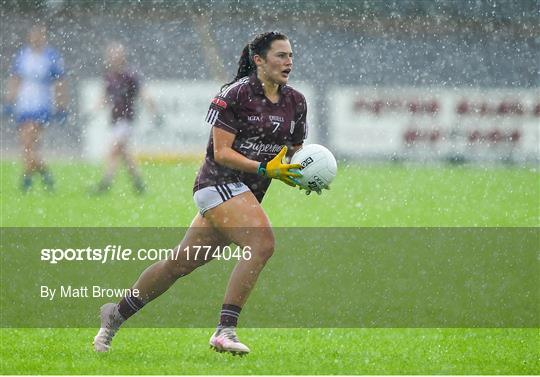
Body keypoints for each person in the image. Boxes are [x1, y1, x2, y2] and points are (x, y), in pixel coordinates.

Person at [93, 31, 307, 355]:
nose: (288, 61)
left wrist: (304, 173)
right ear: (259, 60)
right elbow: (221, 152)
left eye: (290, 55)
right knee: (262, 243)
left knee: (178, 265)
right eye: (281, 55)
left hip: (244, 195)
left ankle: (114, 316)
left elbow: (293, 153)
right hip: (215, 184)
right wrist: (264, 169)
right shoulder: (235, 95)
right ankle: (225, 330)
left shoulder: (296, 102)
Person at [4, 24, 68, 192]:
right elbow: (15, 78)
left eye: (39, 35)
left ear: (44, 37)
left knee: (29, 141)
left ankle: (27, 179)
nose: (36, 39)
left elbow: (60, 82)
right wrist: (9, 101)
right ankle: (42, 174)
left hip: (42, 102)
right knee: (28, 144)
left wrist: (61, 106)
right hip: (24, 102)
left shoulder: (51, 56)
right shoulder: (23, 55)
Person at [90, 41, 156, 194]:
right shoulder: (109, 76)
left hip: (127, 120)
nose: (113, 58)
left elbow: (143, 93)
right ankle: (139, 184)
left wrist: (153, 109)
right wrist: (93, 111)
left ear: (122, 56)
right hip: (115, 120)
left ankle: (105, 183)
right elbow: (105, 98)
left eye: (116, 54)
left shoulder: (130, 75)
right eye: (111, 55)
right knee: (125, 154)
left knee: (113, 150)